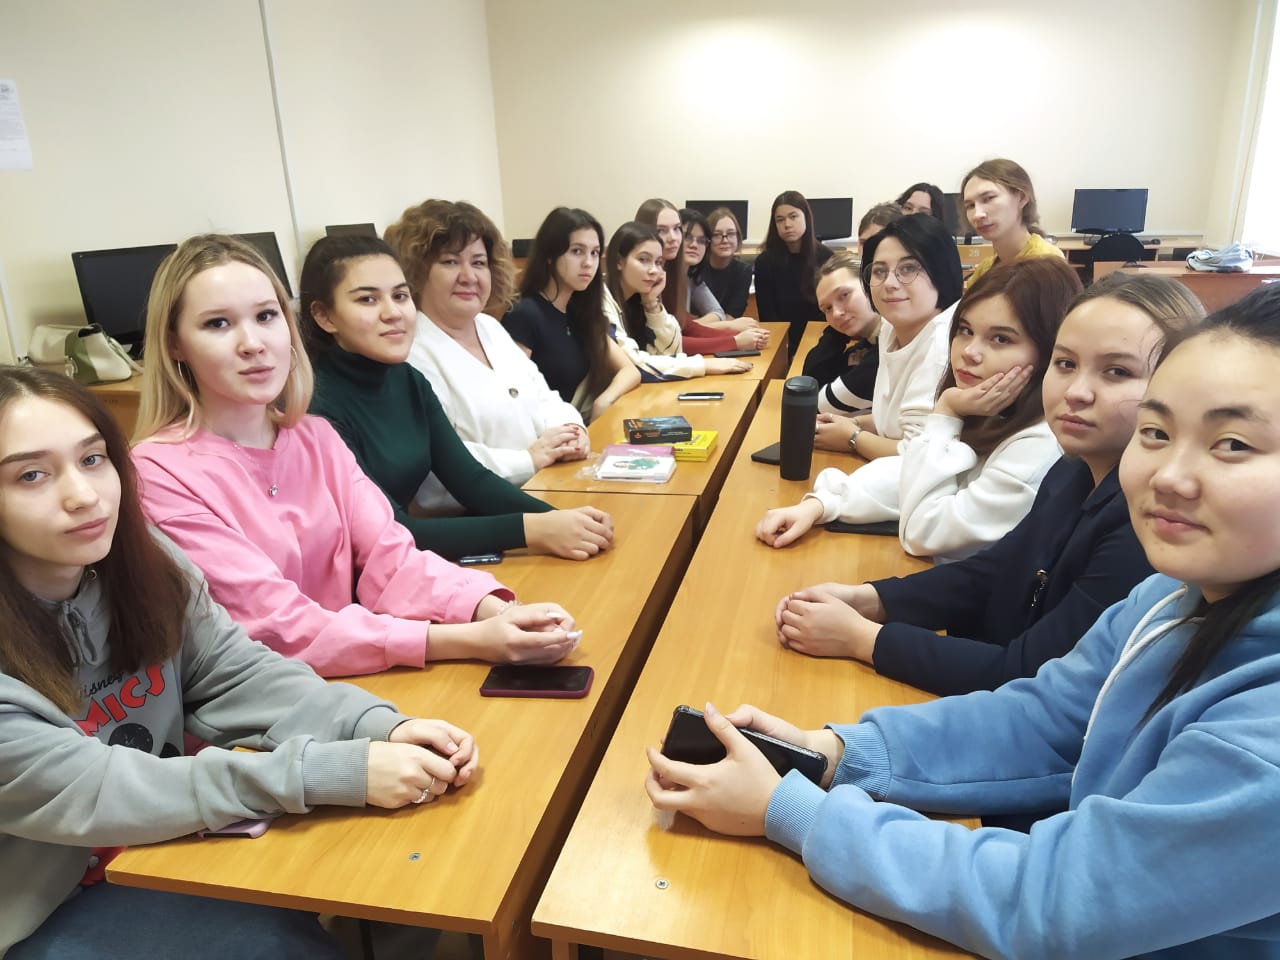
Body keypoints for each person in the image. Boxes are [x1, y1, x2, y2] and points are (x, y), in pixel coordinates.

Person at [647, 283, 1280, 960]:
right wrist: (830, 752)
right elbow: (1045, 718)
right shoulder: (1171, 596)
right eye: (1157, 433)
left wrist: (793, 811)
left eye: (1232, 444)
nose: (1170, 476)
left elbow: (1058, 902)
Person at [0, 366, 479, 958]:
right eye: (31, 475)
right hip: (42, 907)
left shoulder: (143, 563)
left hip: (159, 844)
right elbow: (99, 789)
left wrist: (377, 726)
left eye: (92, 459)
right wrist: (329, 772)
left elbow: (234, 671)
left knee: (406, 861)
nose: (82, 494)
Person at [131, 235, 580, 678]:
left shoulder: (315, 438)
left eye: (266, 316)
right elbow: (278, 627)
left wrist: (495, 609)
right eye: (218, 324)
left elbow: (394, 560)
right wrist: (467, 640)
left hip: (350, 673)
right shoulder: (159, 473)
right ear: (174, 344)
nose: (253, 342)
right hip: (265, 700)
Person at [774, 273, 1204, 694]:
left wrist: (862, 638)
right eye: (1066, 364)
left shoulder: (1147, 525)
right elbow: (996, 569)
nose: (1077, 391)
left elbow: (1031, 673)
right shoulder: (1074, 468)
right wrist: (870, 599)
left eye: (1117, 372)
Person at [299, 233, 614, 562]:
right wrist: (534, 529)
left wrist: (563, 520)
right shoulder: (317, 408)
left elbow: (470, 480)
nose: (392, 312)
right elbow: (394, 531)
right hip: (356, 575)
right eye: (367, 299)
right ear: (325, 316)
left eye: (400, 296)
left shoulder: (408, 380)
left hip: (406, 563)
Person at [758, 257, 1077, 562]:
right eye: (966, 330)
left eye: (1001, 339)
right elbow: (909, 472)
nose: (970, 352)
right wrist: (820, 504)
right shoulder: (993, 410)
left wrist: (946, 412)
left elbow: (924, 532)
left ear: (1050, 351)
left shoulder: (1038, 446)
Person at [387, 199, 590, 501]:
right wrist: (528, 460)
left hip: (546, 485)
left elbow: (543, 397)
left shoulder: (490, 327)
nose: (469, 276)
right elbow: (436, 467)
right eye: (450, 261)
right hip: (480, 512)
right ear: (417, 270)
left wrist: (571, 429)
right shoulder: (409, 352)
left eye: (479, 262)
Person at [809, 213, 963, 461]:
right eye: (879, 271)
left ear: (941, 270)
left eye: (908, 268)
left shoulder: (944, 347)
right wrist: (854, 423)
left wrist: (853, 438)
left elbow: (918, 457)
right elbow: (895, 419)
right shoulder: (891, 328)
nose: (889, 283)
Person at [502, 207, 640, 421]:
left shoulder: (579, 311)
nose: (588, 263)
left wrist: (603, 401)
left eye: (595, 253)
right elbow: (514, 399)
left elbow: (630, 371)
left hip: (579, 427)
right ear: (550, 255)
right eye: (577, 251)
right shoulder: (523, 314)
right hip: (547, 432)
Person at [602, 222, 752, 381]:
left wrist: (652, 304)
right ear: (619, 261)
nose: (654, 270)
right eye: (643, 260)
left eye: (658, 262)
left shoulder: (639, 299)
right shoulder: (601, 302)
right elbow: (633, 366)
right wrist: (703, 365)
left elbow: (671, 352)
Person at [634, 199, 761, 354]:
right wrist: (734, 340)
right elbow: (670, 340)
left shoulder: (672, 274)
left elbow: (686, 326)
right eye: (662, 230)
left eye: (676, 229)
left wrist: (736, 337)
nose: (673, 237)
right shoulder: (644, 276)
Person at [752, 190, 835, 357]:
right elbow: (768, 315)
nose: (787, 224)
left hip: (820, 336)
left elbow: (830, 308)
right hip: (783, 341)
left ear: (806, 218)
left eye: (793, 216)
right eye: (780, 219)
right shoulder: (765, 262)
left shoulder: (826, 258)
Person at [962, 158, 1065, 288]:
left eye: (988, 198)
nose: (977, 214)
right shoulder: (985, 270)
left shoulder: (1047, 265)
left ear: (1021, 198)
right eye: (970, 206)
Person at [801, 251, 880, 416]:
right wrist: (837, 332)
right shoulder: (869, 341)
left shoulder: (893, 342)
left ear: (871, 284)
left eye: (844, 295)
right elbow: (811, 382)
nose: (836, 313)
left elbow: (818, 406)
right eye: (827, 308)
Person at [678, 207, 768, 347]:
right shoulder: (669, 275)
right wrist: (730, 329)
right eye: (688, 237)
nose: (694, 244)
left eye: (701, 240)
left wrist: (691, 326)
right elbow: (678, 333)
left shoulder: (691, 273)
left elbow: (717, 313)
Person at [702, 206, 753, 319]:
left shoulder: (743, 271)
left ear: (738, 237)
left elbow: (734, 313)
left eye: (730, 234)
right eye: (717, 234)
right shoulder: (695, 269)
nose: (725, 240)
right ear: (707, 239)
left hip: (726, 327)